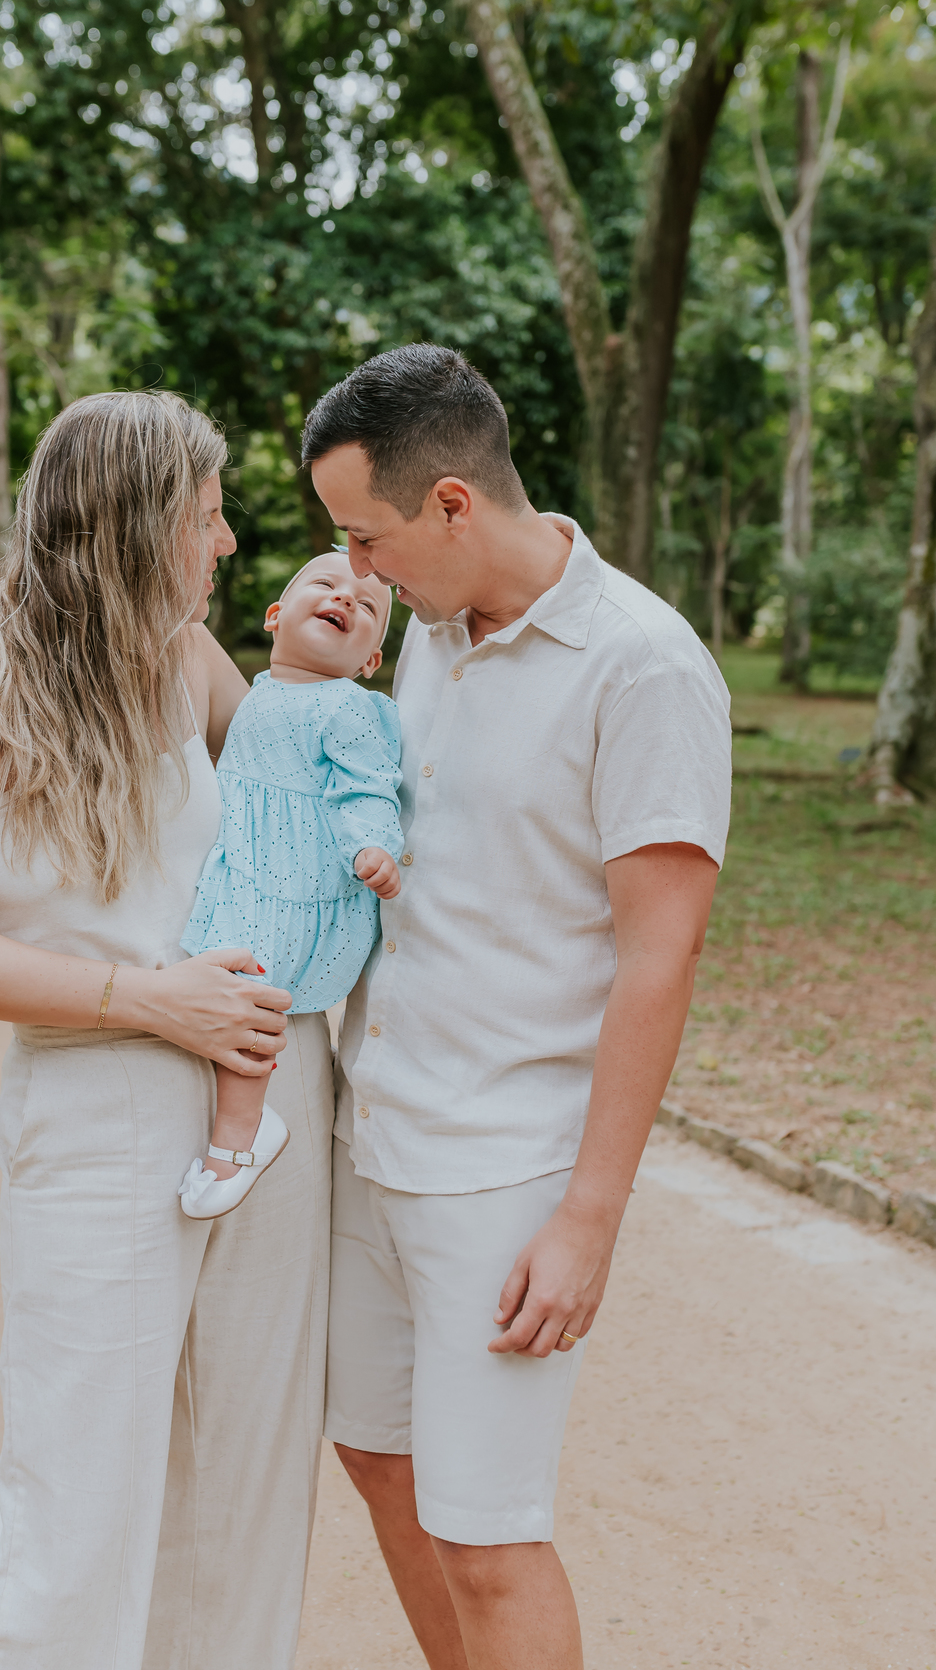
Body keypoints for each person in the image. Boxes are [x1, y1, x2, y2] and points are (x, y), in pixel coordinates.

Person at [0, 391, 334, 1670]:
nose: (229, 543)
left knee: (245, 1478)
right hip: (96, 1106)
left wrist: (334, 640)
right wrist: (144, 999)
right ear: (129, 524)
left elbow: (308, 774)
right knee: (76, 1492)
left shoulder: (188, 663)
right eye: (208, 514)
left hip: (266, 1105)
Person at [302, 344, 732, 1670]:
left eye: (363, 535)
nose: (354, 565)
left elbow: (658, 957)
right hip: (374, 1129)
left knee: (487, 1539)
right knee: (378, 1456)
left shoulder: (643, 668)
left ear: (450, 506)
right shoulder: (424, 636)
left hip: (505, 1165)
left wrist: (588, 1220)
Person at [178, 548, 402, 1219]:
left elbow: (368, 787)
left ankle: (241, 1136)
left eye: (367, 607)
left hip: (297, 885)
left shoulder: (350, 706)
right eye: (327, 586)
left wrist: (373, 846)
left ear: (369, 663)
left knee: (252, 994)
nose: (344, 600)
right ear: (276, 617)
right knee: (220, 979)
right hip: (245, 873)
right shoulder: (262, 694)